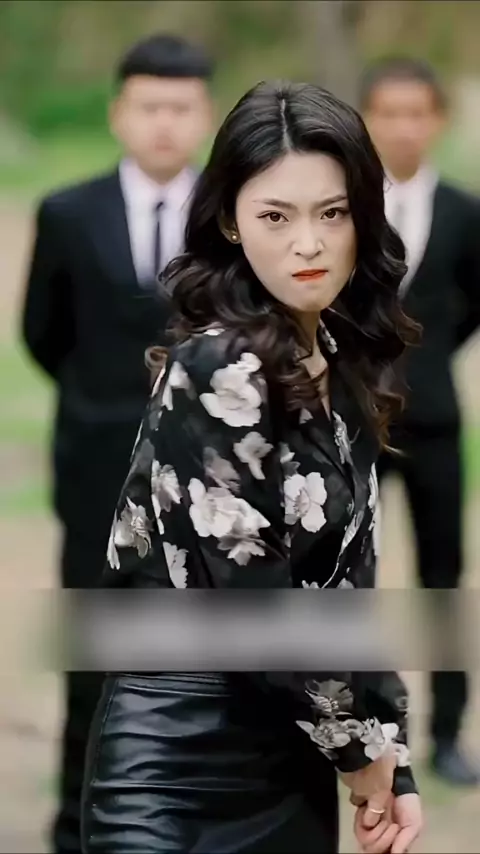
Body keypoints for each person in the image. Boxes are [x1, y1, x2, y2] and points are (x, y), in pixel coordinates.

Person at [80, 80, 423, 854]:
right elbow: (254, 608)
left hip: (292, 765)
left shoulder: (340, 361)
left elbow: (351, 593)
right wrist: (361, 752)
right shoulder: (217, 365)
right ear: (231, 221)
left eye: (333, 213)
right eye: (276, 216)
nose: (309, 244)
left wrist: (391, 756)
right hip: (175, 768)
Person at [20, 33, 215, 853]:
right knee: (93, 653)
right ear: (118, 113)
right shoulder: (67, 213)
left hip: (211, 473)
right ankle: (78, 823)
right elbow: (43, 333)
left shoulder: (234, 219)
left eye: (180, 107)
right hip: (97, 463)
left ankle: (188, 818)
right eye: (149, 105)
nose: (164, 122)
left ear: (205, 115)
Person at [361, 57, 480, 786]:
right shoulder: (341, 207)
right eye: (390, 113)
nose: (404, 127)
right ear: (367, 119)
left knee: (444, 577)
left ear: (438, 120)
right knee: (350, 576)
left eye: (417, 113)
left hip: (432, 420)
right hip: (352, 419)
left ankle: (447, 733)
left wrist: (423, 367)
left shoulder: (466, 212)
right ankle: (360, 730)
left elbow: (470, 308)